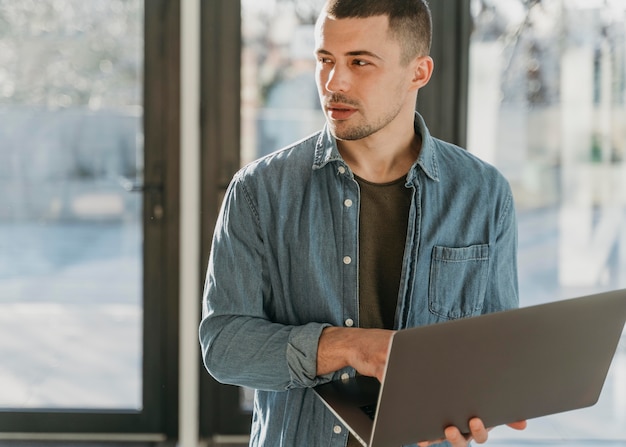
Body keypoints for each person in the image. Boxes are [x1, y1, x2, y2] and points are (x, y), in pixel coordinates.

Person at [199, 0, 527, 445]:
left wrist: (484, 398)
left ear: (419, 72)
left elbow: (495, 344)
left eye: (360, 62)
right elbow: (225, 345)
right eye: (324, 60)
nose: (334, 82)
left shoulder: (484, 193)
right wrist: (352, 346)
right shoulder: (259, 190)